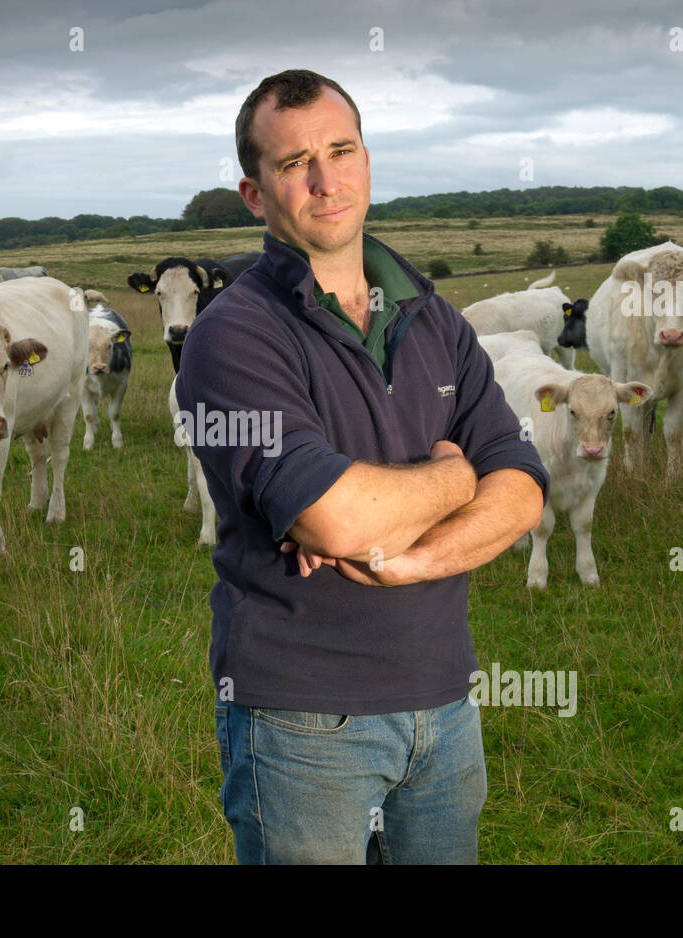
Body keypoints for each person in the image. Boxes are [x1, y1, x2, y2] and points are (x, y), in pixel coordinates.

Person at [175, 69, 549, 865]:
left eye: (340, 150)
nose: (324, 179)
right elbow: (335, 519)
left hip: (445, 702)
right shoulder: (234, 334)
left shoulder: (433, 317)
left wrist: (413, 554)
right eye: (292, 162)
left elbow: (520, 491)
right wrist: (453, 477)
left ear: (368, 161)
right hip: (303, 719)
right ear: (254, 193)